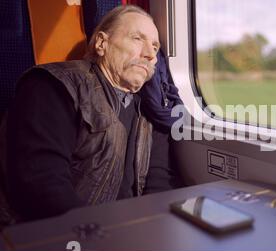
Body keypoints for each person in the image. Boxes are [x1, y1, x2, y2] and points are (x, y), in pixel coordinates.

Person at [0, 5, 182, 226]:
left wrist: (152, 229)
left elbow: (158, 183)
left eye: (155, 46)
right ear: (101, 43)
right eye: (137, 38)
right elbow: (43, 186)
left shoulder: (150, 112)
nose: (151, 54)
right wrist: (101, 235)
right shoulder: (53, 86)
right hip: (57, 233)